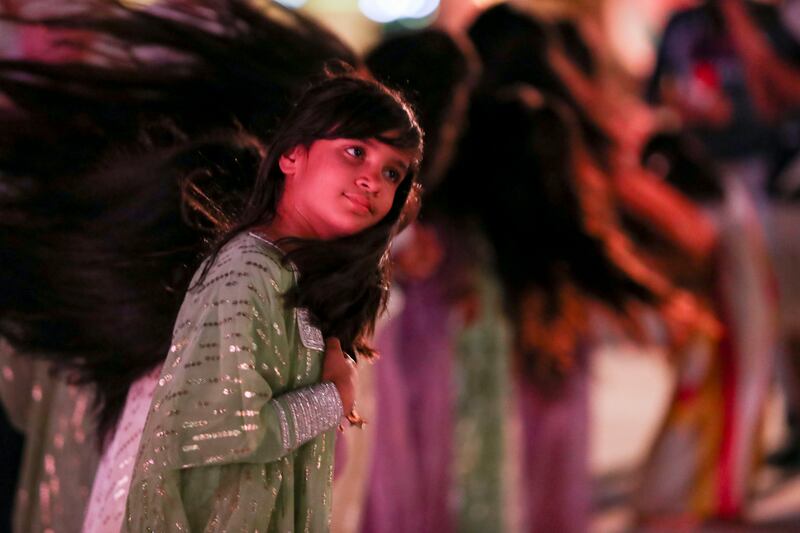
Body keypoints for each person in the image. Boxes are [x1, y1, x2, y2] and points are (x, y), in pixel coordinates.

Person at [118, 71, 423, 532]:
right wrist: (332, 398)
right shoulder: (248, 271)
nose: (372, 181)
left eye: (391, 172)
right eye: (356, 152)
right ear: (292, 155)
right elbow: (227, 428)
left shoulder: (289, 273)